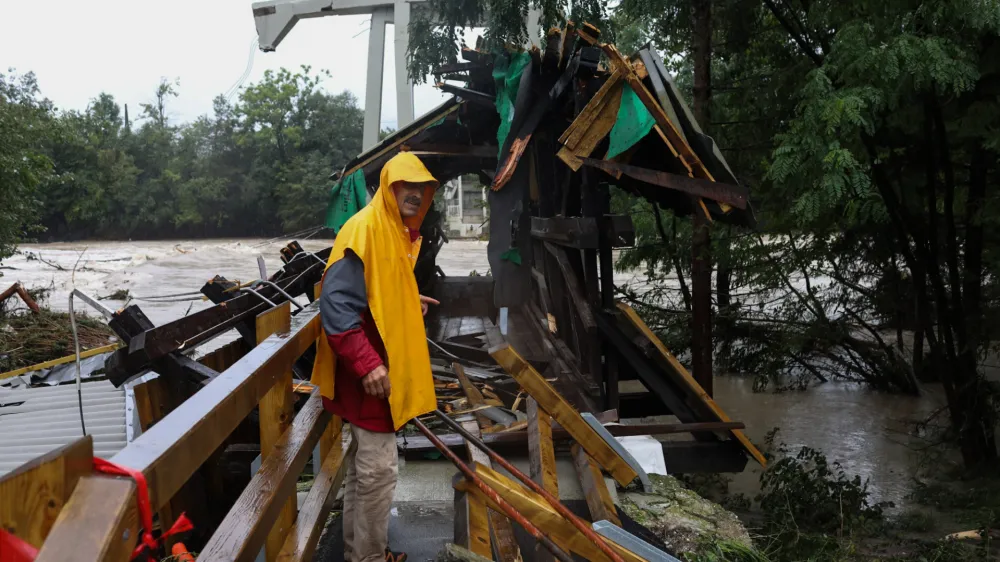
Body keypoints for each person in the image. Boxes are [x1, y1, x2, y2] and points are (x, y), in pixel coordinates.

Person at [310, 152, 441, 562]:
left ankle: (361, 552)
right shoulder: (365, 229)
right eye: (408, 186)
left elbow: (372, 289)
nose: (416, 196)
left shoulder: (391, 231)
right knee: (378, 473)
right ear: (388, 186)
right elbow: (335, 307)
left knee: (363, 472)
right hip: (369, 378)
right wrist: (367, 363)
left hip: (374, 377)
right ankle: (367, 557)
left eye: (423, 189)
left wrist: (405, 298)